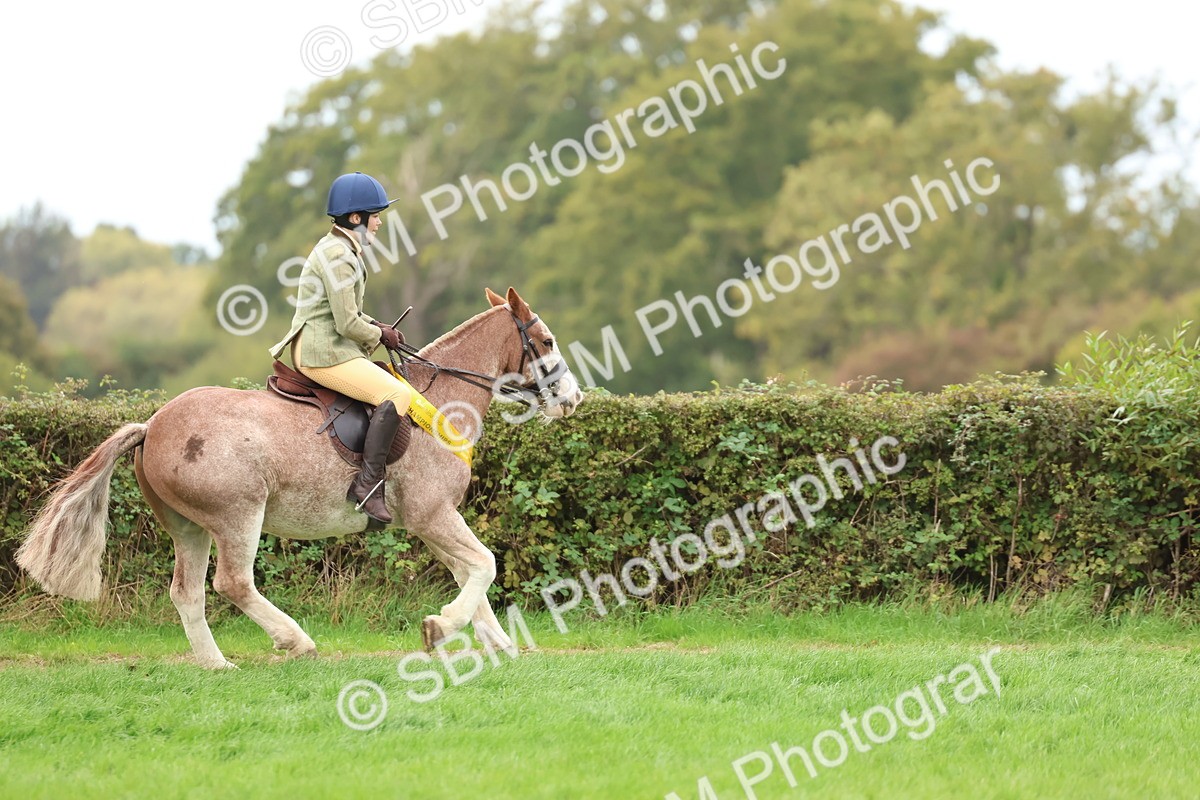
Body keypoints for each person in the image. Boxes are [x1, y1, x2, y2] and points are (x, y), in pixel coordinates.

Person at [269, 172, 411, 525]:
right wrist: (378, 337)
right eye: (375, 215)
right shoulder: (340, 256)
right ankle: (368, 484)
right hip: (323, 353)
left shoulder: (340, 249)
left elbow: (348, 311)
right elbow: (347, 324)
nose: (379, 223)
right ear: (355, 218)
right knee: (396, 394)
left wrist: (378, 326)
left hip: (327, 344)